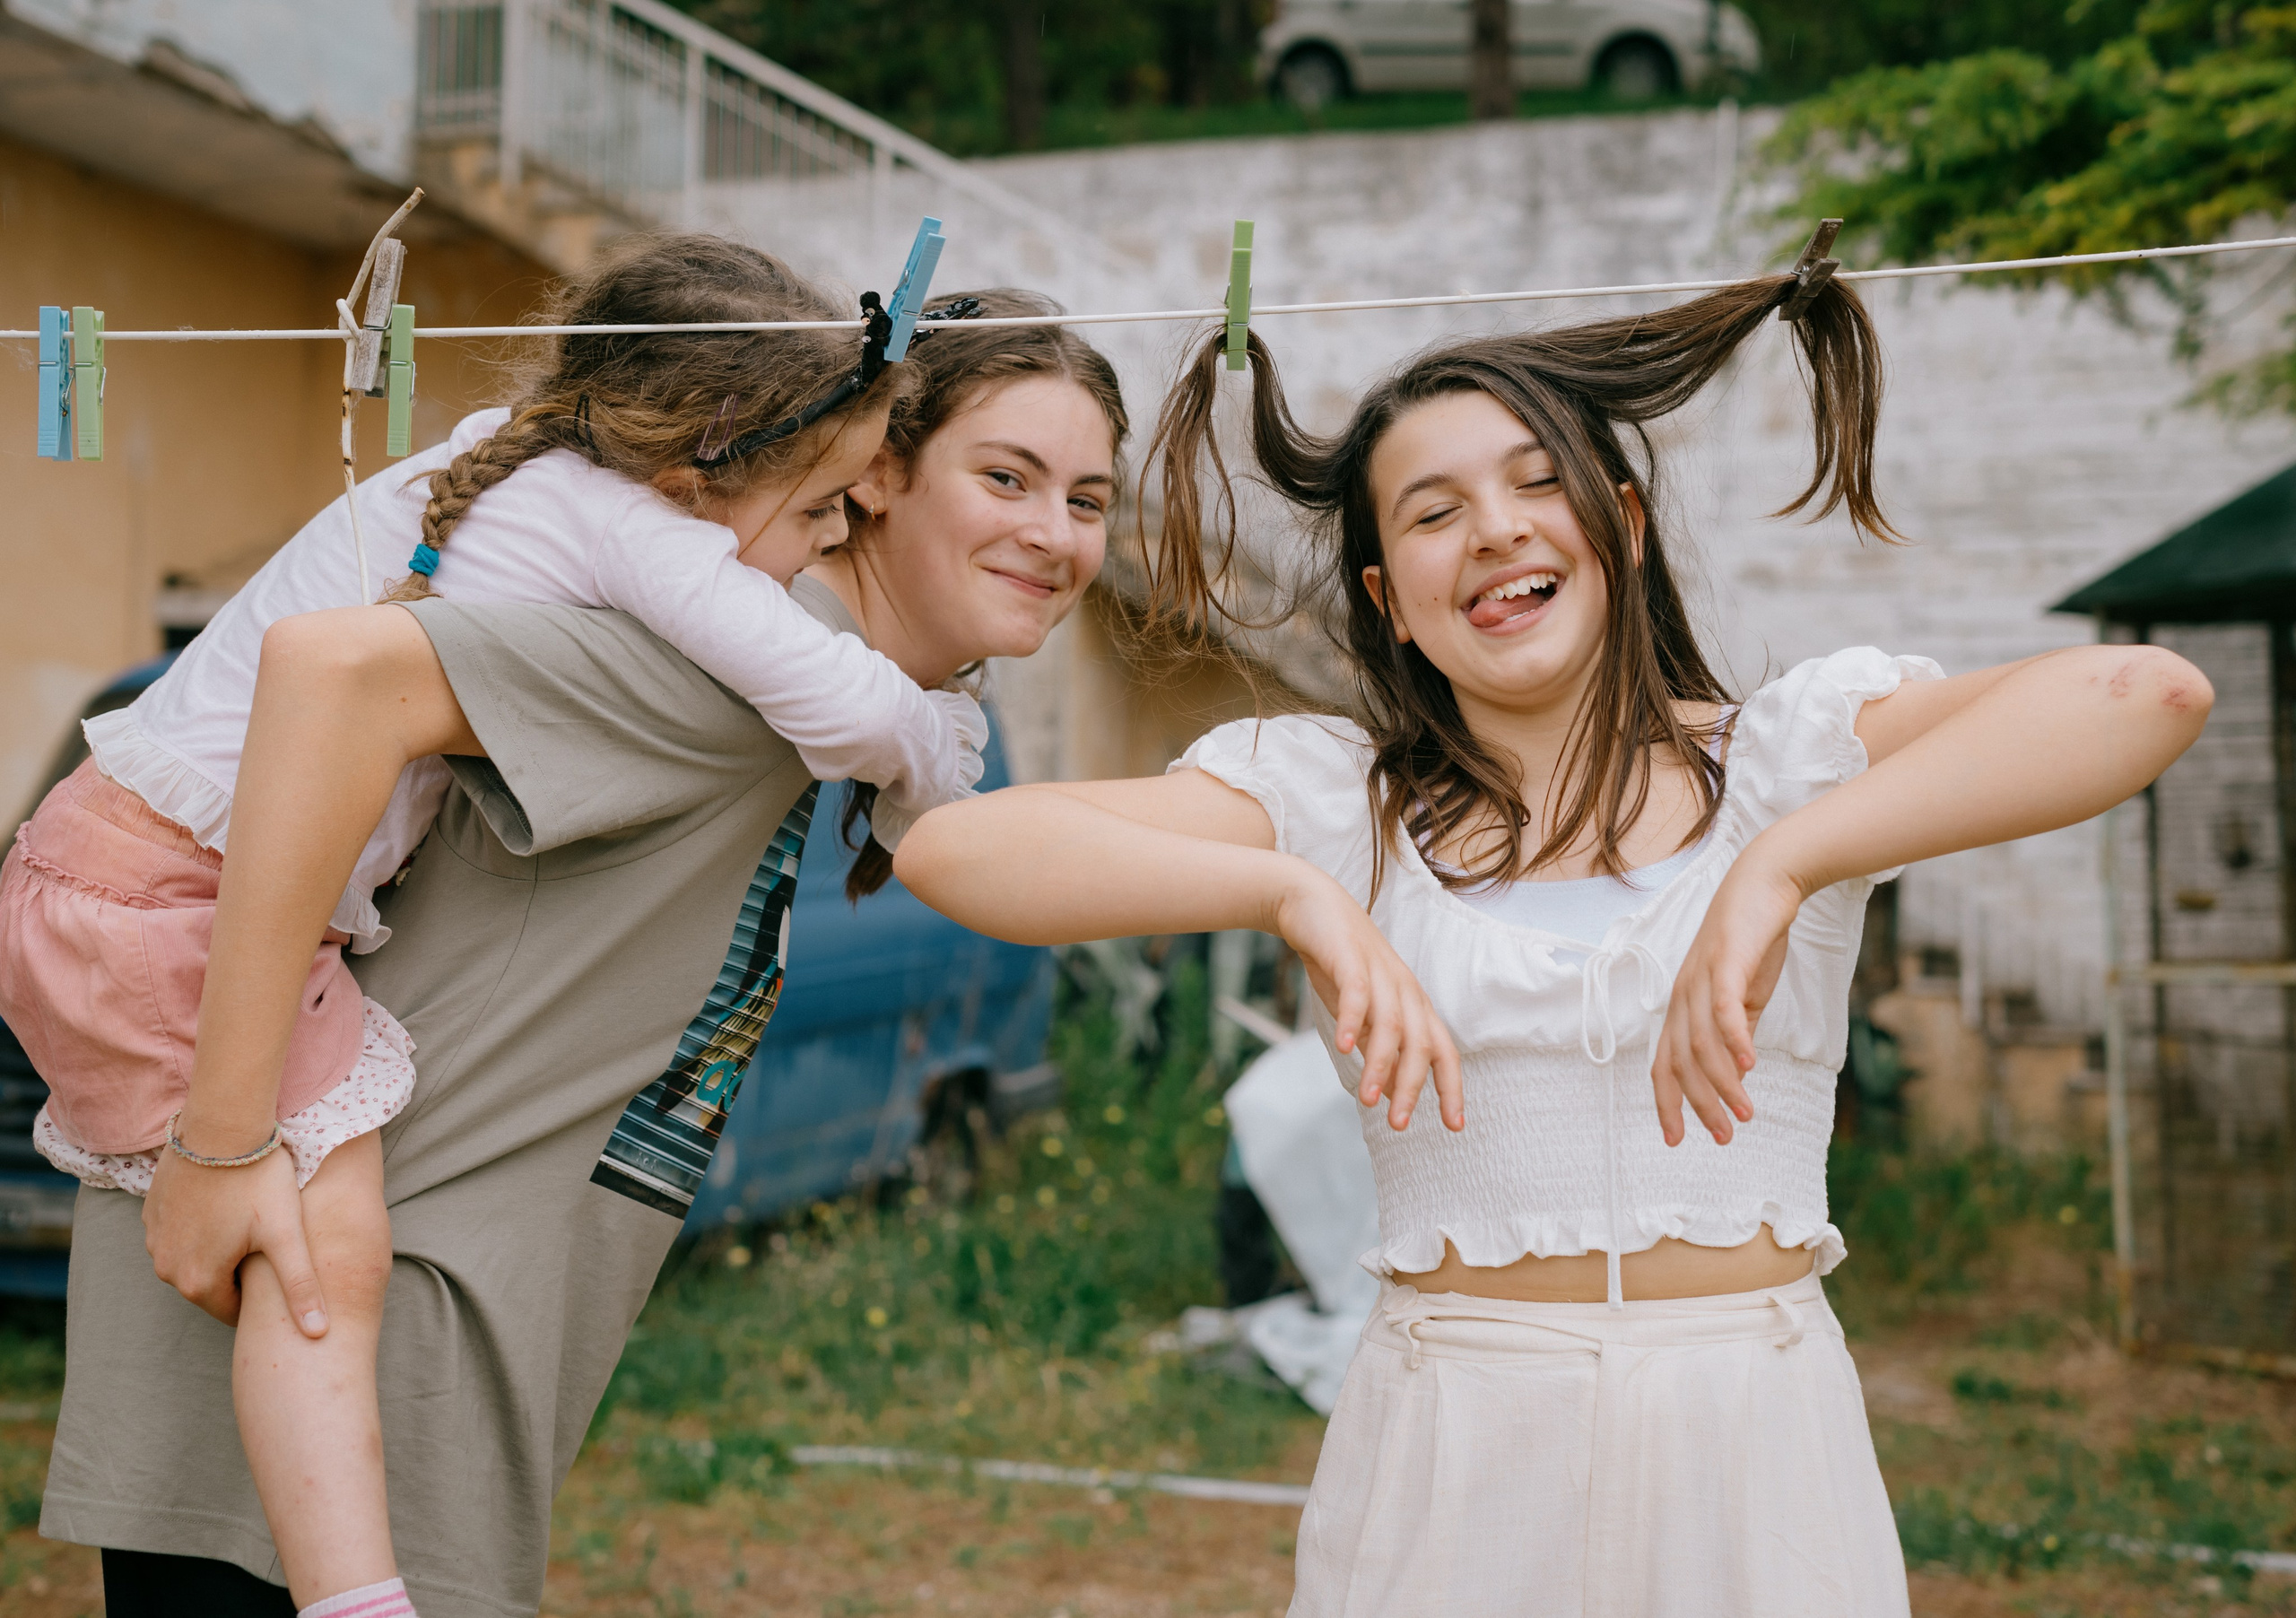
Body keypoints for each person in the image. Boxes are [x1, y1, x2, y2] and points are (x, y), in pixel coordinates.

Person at [893, 276, 2213, 1614]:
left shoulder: (1787, 762)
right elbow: (955, 851)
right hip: (1454, 1452)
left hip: (1754, 1448)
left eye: (1536, 484)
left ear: (1621, 528)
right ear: (1387, 598)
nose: (1496, 531)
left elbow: (2143, 694)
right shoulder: (1336, 804)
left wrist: (1783, 863)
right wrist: (1293, 895)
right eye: (1433, 513)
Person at [34, 289, 1125, 1618]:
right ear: (873, 471)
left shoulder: (783, 678)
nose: (1054, 531)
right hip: (331, 1310)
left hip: (389, 1314)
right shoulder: (711, 658)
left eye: (1089, 497)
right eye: (1005, 476)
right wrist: (218, 1146)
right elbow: (333, 679)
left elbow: (984, 846)